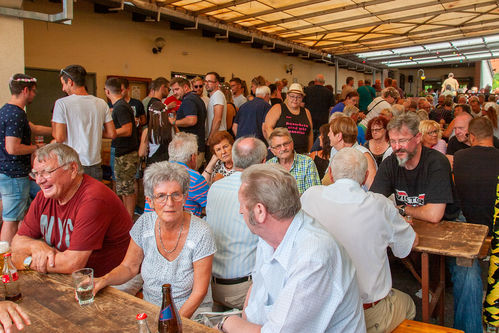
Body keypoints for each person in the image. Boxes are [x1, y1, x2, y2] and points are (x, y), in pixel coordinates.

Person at [218, 164, 365, 333]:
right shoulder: (268, 235)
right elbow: (258, 288)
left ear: (260, 211)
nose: (240, 211)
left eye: (242, 205)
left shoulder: (313, 255)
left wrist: (227, 323)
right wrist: (243, 322)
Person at [301, 148, 417, 333]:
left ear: (330, 173)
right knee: (409, 303)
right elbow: (406, 246)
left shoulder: (310, 196)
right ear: (365, 177)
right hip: (366, 313)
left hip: (318, 310)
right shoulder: (380, 204)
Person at [94, 161, 216, 318]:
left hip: (191, 314)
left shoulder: (201, 232)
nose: (169, 203)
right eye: (161, 196)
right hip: (151, 309)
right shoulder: (145, 224)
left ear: (185, 198)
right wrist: (104, 280)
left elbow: (199, 292)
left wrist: (171, 324)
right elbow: (129, 267)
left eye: (176, 195)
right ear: (150, 201)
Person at [11, 144, 132, 277]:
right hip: (74, 276)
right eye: (36, 174)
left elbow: (72, 264)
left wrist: (26, 261)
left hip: (113, 280)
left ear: (73, 169)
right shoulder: (44, 197)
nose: (39, 180)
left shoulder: (94, 199)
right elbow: (17, 243)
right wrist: (35, 246)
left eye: (47, 172)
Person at [206, 137, 267, 310]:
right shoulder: (260, 192)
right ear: (263, 162)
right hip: (244, 289)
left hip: (211, 285)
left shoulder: (215, 187)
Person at [451, 117, 499, 333]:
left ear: (471, 137)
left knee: (466, 271)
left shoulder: (460, 157)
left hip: (468, 229)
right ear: (492, 136)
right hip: (495, 231)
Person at [370, 113, 454, 223]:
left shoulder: (436, 162)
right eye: (392, 141)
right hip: (409, 226)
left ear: (418, 137)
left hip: (446, 227)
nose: (397, 147)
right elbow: (373, 203)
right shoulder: (390, 163)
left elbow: (434, 215)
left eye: (402, 140)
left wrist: (403, 209)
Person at [0, 74, 51, 242]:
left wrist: (57, 130)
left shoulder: (7, 110)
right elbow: (12, 148)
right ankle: (6, 261)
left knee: (14, 216)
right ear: (25, 90)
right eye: (33, 91)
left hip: (6, 173)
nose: (34, 95)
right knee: (11, 220)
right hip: (14, 174)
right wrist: (37, 148)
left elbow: (34, 128)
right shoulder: (16, 115)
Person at [52, 65, 116, 181]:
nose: (63, 89)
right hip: (95, 164)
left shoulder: (61, 104)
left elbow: (59, 137)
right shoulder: (101, 103)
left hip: (72, 164)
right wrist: (91, 133)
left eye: (63, 84)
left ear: (70, 82)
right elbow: (112, 134)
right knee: (93, 198)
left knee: (74, 199)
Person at [105, 77, 139, 218]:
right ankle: (126, 217)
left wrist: (108, 133)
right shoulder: (120, 105)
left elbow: (127, 129)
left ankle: (128, 219)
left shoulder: (120, 107)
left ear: (107, 91)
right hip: (122, 152)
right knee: (123, 188)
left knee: (127, 189)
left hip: (127, 153)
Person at [325, 116, 377, 189]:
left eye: (330, 131)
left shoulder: (363, 155)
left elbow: (373, 189)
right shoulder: (334, 150)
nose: (328, 135)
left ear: (339, 136)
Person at [266, 127, 320, 194]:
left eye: (286, 144)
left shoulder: (307, 162)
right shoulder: (268, 167)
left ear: (292, 144)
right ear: (272, 151)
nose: (283, 148)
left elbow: (313, 194)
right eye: (278, 146)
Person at [264, 83, 314, 153]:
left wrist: (310, 152)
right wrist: (276, 146)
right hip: (281, 152)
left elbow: (310, 134)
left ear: (302, 98)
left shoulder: (306, 112)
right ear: (287, 96)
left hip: (302, 153)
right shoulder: (278, 108)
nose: (295, 99)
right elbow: (267, 127)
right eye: (292, 96)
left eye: (298, 97)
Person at [170, 77, 207, 170]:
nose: (174, 93)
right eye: (173, 90)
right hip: (196, 146)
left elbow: (192, 120)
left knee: (189, 179)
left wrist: (174, 122)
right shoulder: (196, 98)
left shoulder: (188, 100)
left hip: (193, 149)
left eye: (177, 89)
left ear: (186, 87)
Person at [138, 100, 175, 166]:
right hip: (169, 163)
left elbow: (141, 153)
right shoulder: (172, 128)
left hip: (154, 164)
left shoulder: (147, 131)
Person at [205, 72, 228, 145]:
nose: (206, 83)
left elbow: (218, 119)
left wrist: (211, 137)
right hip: (215, 136)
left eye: (210, 81)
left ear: (217, 83)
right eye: (205, 81)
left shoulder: (218, 95)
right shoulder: (213, 96)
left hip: (217, 137)